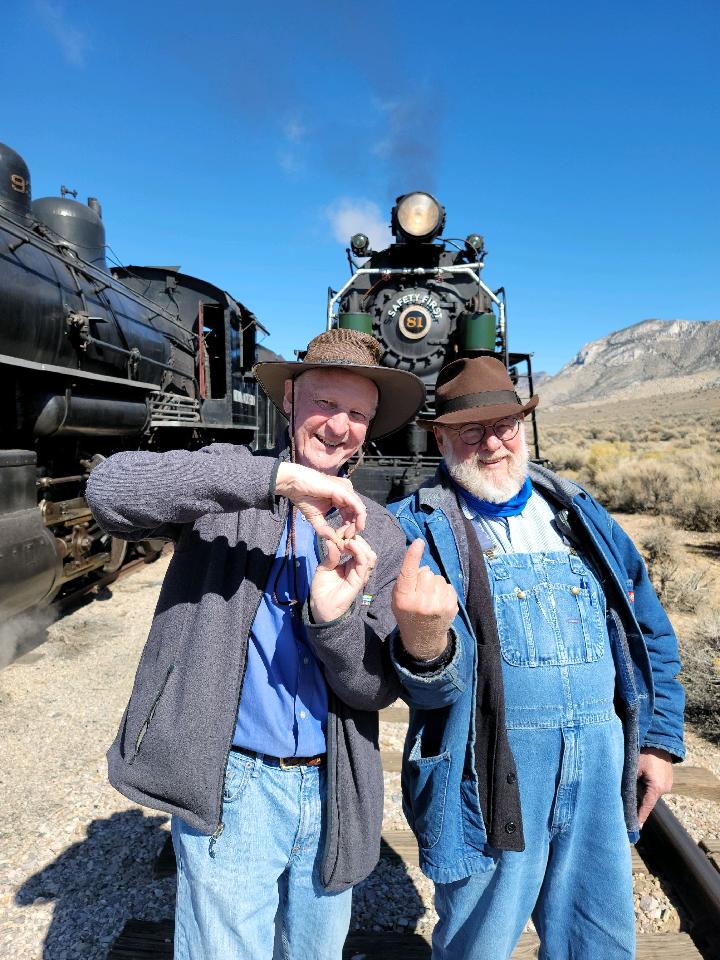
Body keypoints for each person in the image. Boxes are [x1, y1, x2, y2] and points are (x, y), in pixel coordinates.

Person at [86, 328, 425, 960]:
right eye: (326, 404)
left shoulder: (378, 530)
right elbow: (109, 492)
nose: (340, 427)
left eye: (358, 414)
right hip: (232, 779)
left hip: (331, 788)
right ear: (291, 399)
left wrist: (333, 620)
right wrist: (277, 481)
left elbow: (373, 687)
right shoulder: (228, 478)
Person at [387, 356, 684, 960]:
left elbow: (646, 625)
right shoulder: (416, 530)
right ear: (440, 439)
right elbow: (412, 688)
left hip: (601, 765)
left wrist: (657, 738)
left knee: (597, 938)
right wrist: (422, 644)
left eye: (506, 425)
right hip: (490, 770)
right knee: (481, 941)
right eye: (471, 432)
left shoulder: (577, 513)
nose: (493, 444)